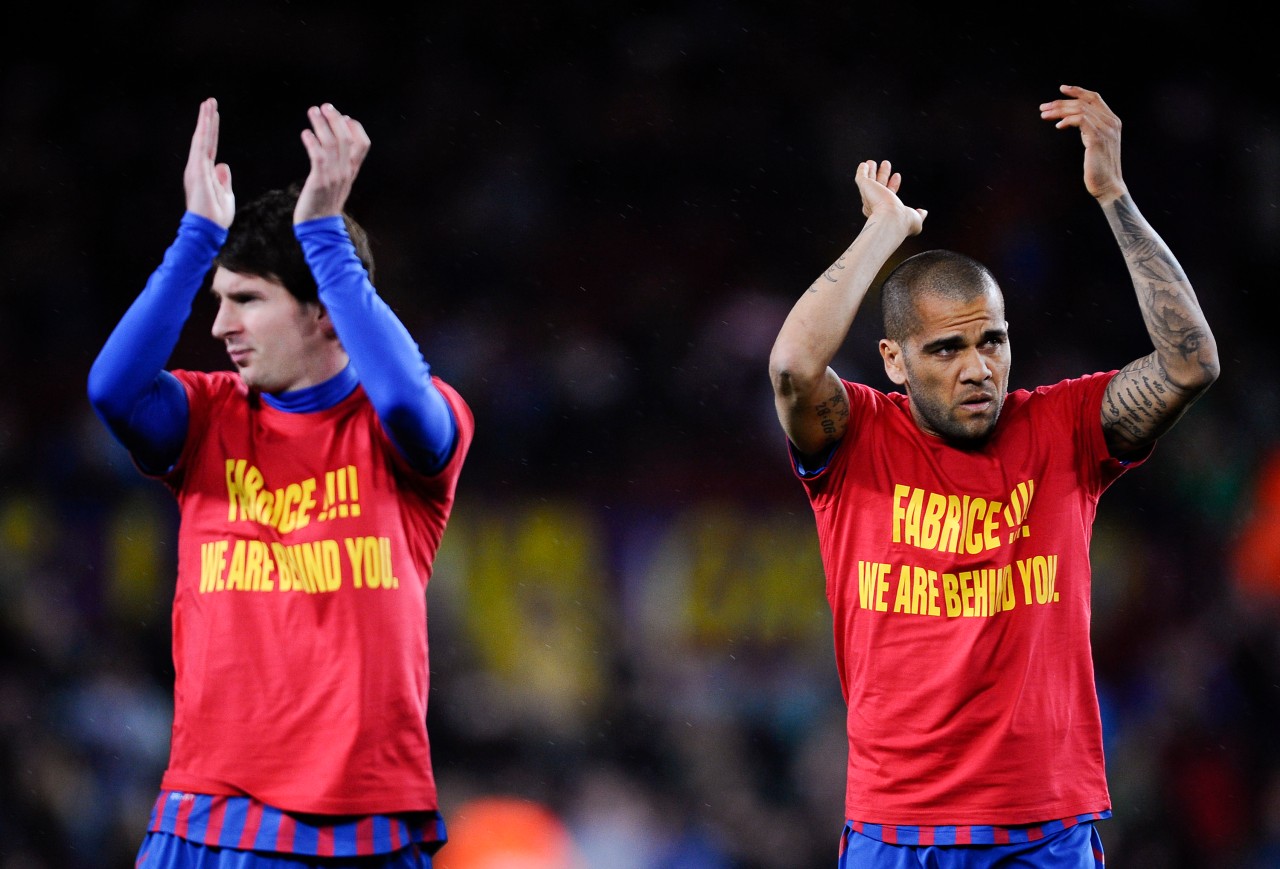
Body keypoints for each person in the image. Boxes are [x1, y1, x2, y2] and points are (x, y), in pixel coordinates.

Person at [768, 84, 1218, 868]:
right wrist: (883, 235)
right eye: (947, 349)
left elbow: (1190, 362)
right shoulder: (859, 437)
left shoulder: (1066, 426)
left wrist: (1113, 195)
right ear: (894, 361)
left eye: (993, 342)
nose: (979, 368)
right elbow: (791, 365)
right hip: (898, 834)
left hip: (1045, 832)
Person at [87, 98, 474, 868]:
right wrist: (195, 238)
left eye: (248, 300)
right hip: (204, 816)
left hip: (357, 829)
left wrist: (325, 235)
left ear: (326, 313)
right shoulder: (206, 416)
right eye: (219, 300)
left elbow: (402, 395)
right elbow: (113, 388)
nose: (219, 325)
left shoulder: (406, 428)